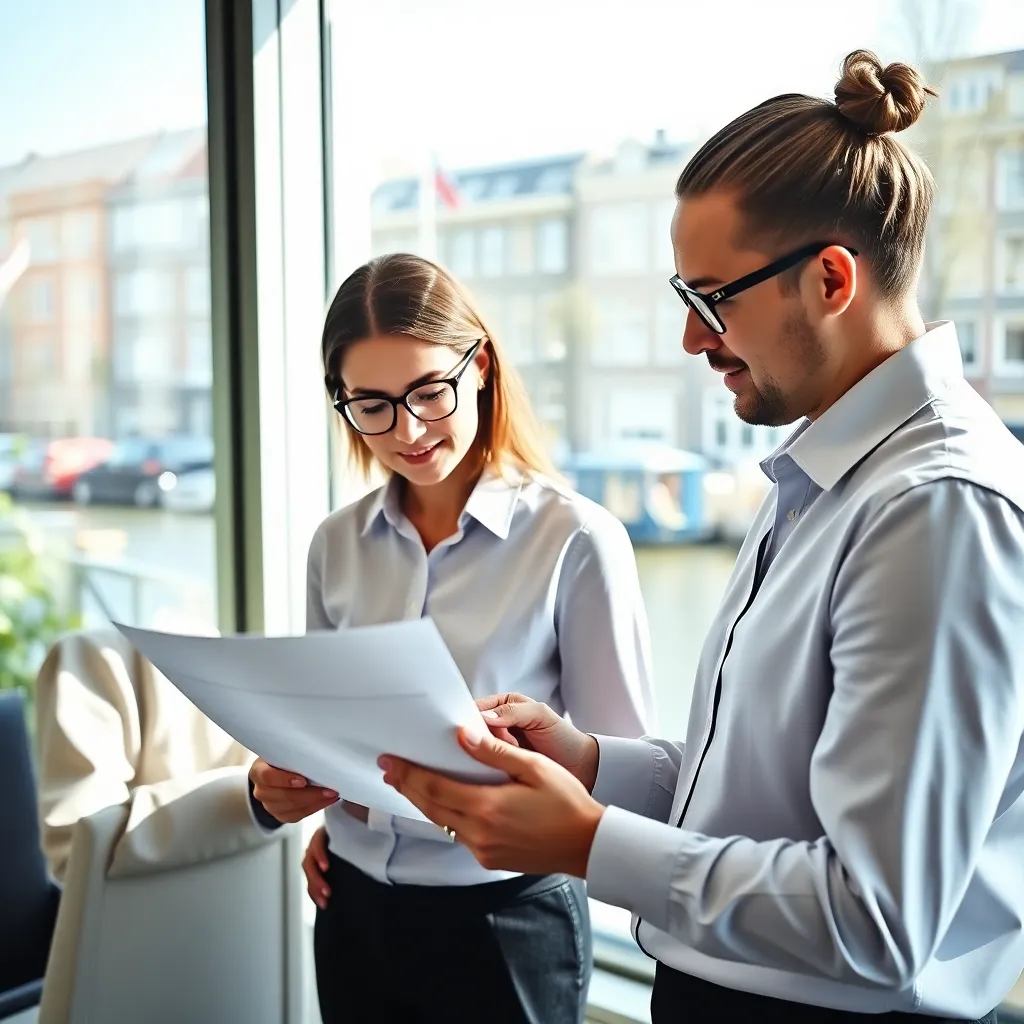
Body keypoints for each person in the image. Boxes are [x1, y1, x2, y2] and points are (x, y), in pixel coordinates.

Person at [378, 49, 1024, 1023]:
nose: (690, 339)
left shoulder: (934, 508)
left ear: (830, 280)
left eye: (709, 297)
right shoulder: (821, 469)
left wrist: (588, 842)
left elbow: (874, 920)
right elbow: (760, 791)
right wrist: (591, 760)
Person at [247, 252, 655, 1024]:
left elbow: (627, 775)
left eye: (428, 392)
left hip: (506, 923)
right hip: (352, 905)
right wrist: (296, 788)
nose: (405, 430)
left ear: (481, 368)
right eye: (370, 404)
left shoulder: (576, 540)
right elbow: (326, 729)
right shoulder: (335, 544)